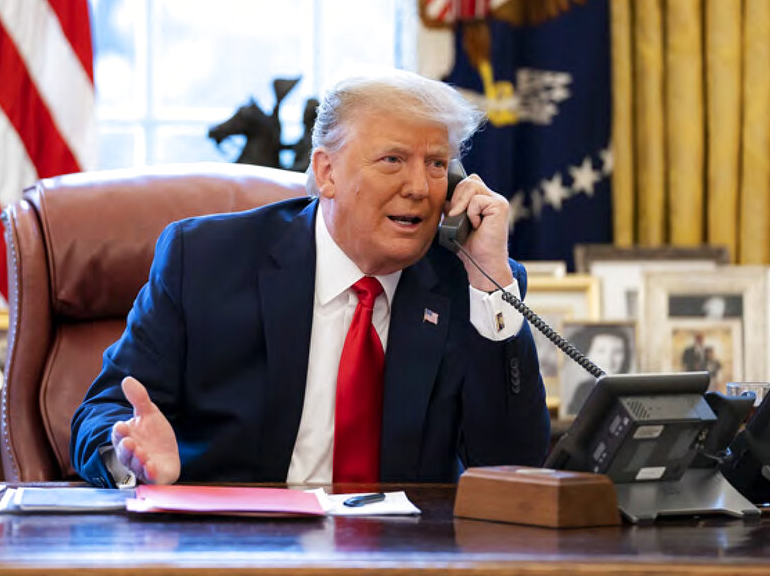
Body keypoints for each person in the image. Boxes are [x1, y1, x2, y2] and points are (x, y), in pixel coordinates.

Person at [70, 71, 550, 487]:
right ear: (327, 172)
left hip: (401, 561)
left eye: (437, 164)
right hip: (240, 552)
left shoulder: (465, 284)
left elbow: (514, 467)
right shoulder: (204, 262)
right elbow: (103, 412)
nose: (420, 187)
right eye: (393, 160)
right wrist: (129, 457)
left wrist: (490, 287)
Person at [566, 326, 630, 415]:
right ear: (588, 355)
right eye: (601, 351)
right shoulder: (582, 390)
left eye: (617, 351)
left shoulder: (631, 390)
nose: (609, 360)